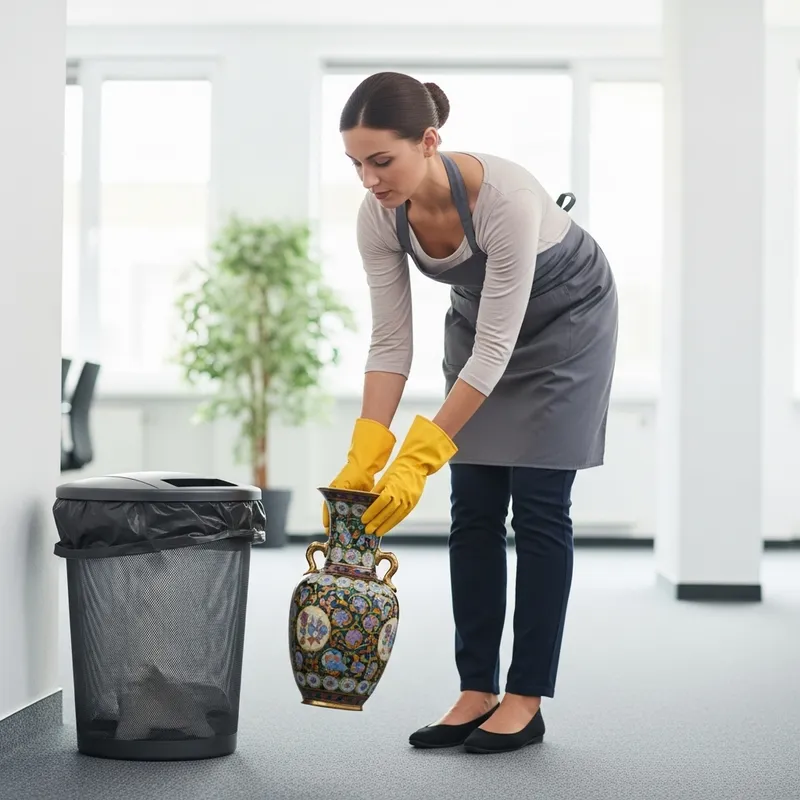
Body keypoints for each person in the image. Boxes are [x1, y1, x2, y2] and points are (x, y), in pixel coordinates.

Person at [324, 71, 618, 755]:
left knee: (540, 504)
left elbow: (496, 350)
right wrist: (366, 453)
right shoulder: (379, 215)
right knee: (474, 507)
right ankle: (474, 689)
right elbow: (391, 341)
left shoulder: (506, 197)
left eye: (381, 160)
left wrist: (418, 458)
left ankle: (524, 698)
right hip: (483, 322)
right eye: (356, 164)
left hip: (567, 324)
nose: (369, 179)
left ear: (429, 142)